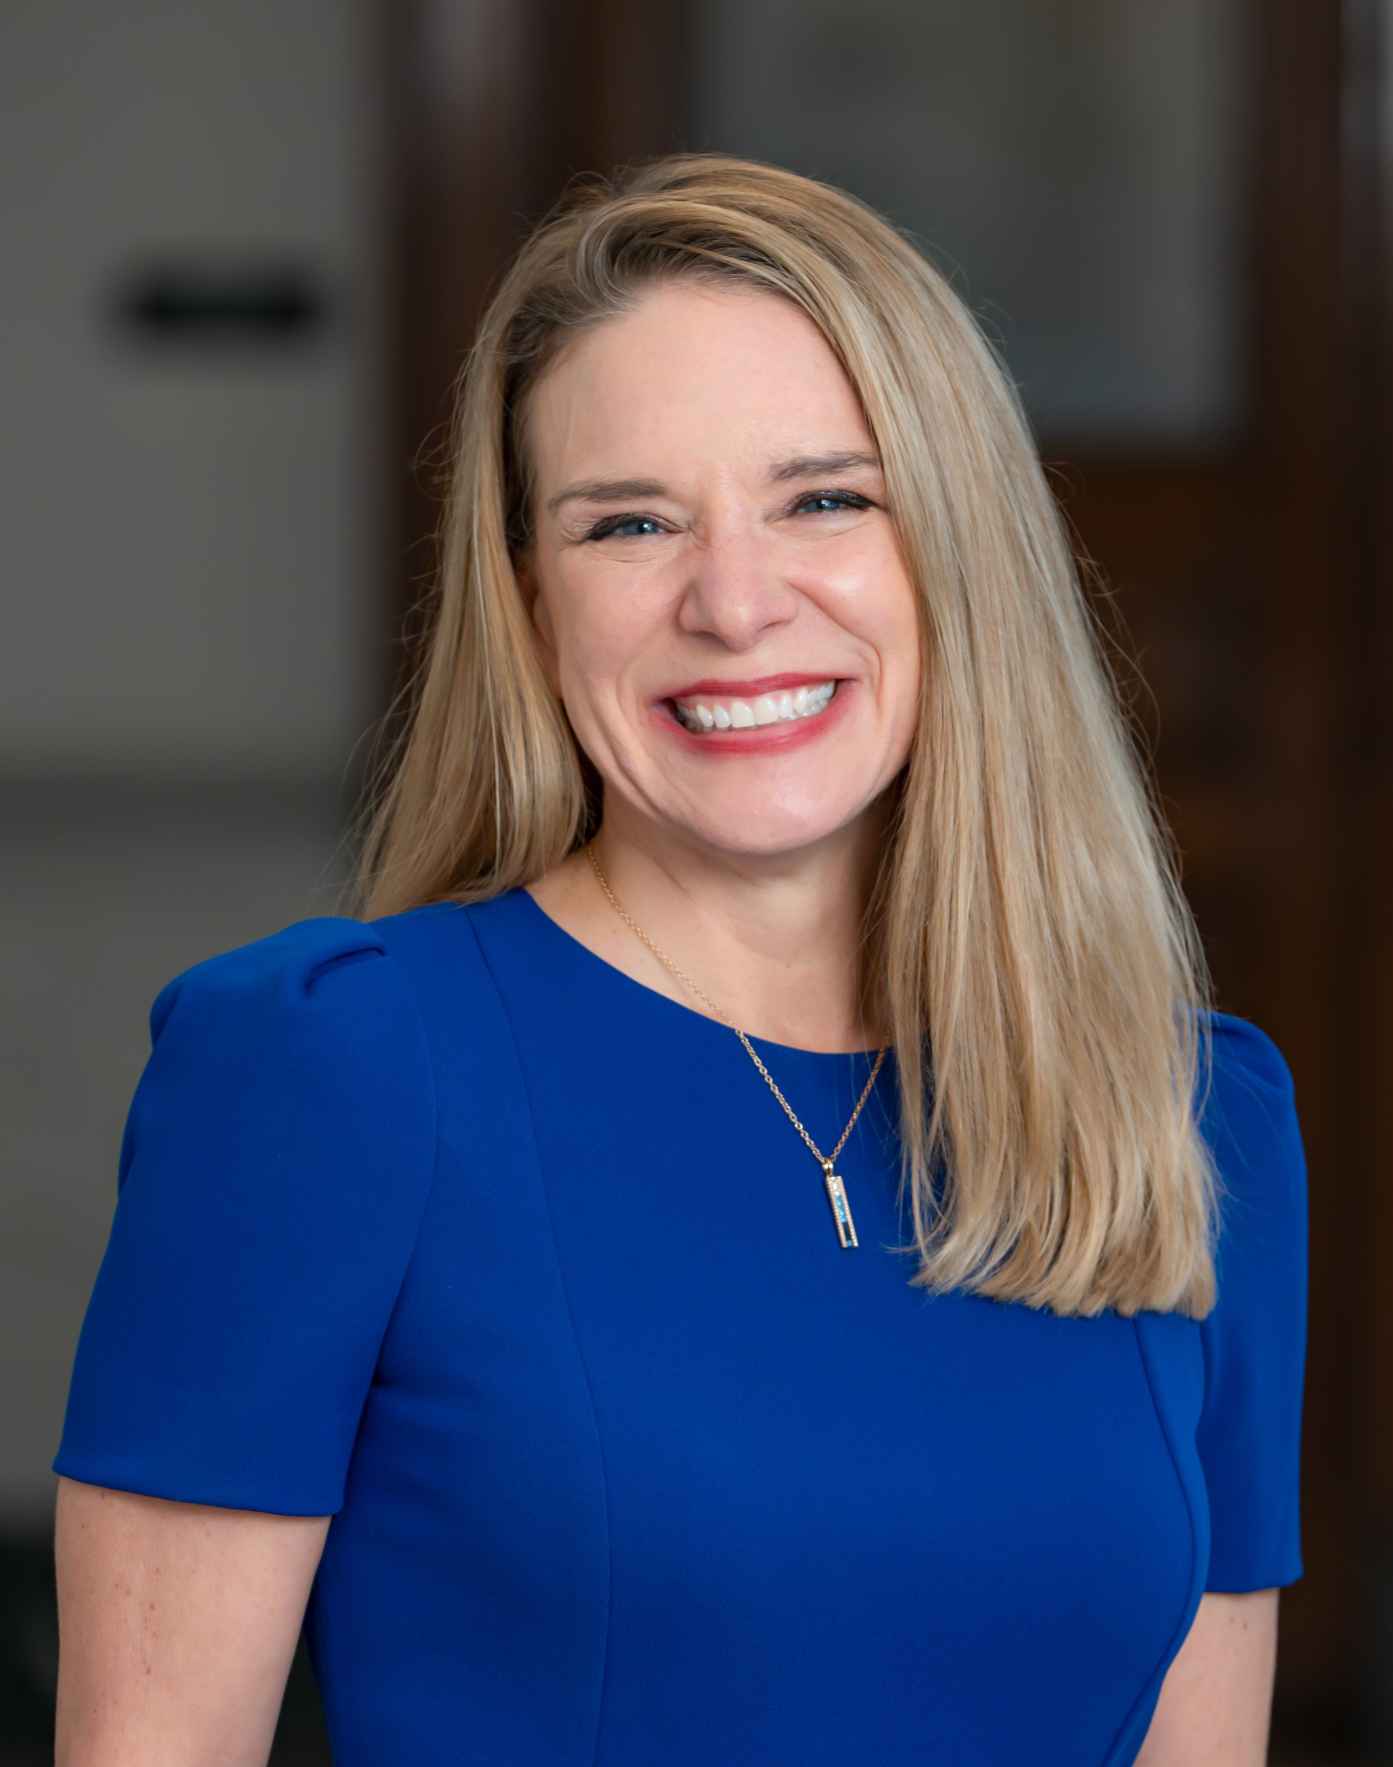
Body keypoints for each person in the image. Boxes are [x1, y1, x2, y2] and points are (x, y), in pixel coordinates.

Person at [51, 153, 1307, 1766]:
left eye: (826, 499)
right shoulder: (331, 1070)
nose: (732, 601)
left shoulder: (1189, 1115)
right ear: (529, 601)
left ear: (960, 551)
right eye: (629, 522)